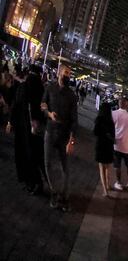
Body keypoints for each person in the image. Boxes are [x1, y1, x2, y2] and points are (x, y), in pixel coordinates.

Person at [40, 66, 78, 211]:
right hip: (50, 131)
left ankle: (64, 196)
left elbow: (75, 120)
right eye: (66, 72)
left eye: (69, 73)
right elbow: (43, 104)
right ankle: (54, 193)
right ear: (59, 73)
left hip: (64, 135)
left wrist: (71, 140)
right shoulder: (50, 88)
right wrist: (49, 114)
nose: (68, 75)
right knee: (47, 164)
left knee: (65, 167)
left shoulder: (72, 95)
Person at [10, 64, 46, 195]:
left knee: (25, 155)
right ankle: (38, 183)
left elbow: (16, 104)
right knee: (36, 156)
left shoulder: (24, 86)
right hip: (37, 129)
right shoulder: (41, 88)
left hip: (23, 127)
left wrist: (10, 121)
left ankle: (31, 183)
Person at [111, 98, 128, 193]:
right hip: (126, 147)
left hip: (116, 145)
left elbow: (109, 127)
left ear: (119, 104)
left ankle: (118, 183)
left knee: (117, 165)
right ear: (127, 105)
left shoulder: (113, 114)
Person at [93, 102, 115, 197]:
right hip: (109, 146)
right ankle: (108, 185)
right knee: (107, 167)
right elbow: (113, 135)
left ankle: (105, 190)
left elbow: (95, 132)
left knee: (101, 168)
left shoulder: (99, 119)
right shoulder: (110, 121)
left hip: (100, 145)